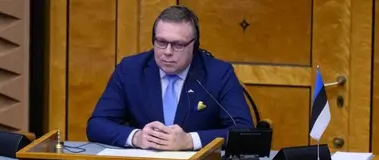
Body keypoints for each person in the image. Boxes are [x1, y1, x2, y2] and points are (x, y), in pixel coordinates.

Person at [86, 5, 253, 151]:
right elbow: (97, 124)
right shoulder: (131, 70)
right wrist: (136, 137)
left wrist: (190, 140)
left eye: (178, 45)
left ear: (195, 46)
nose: (167, 51)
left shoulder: (218, 73)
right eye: (161, 42)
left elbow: (245, 133)